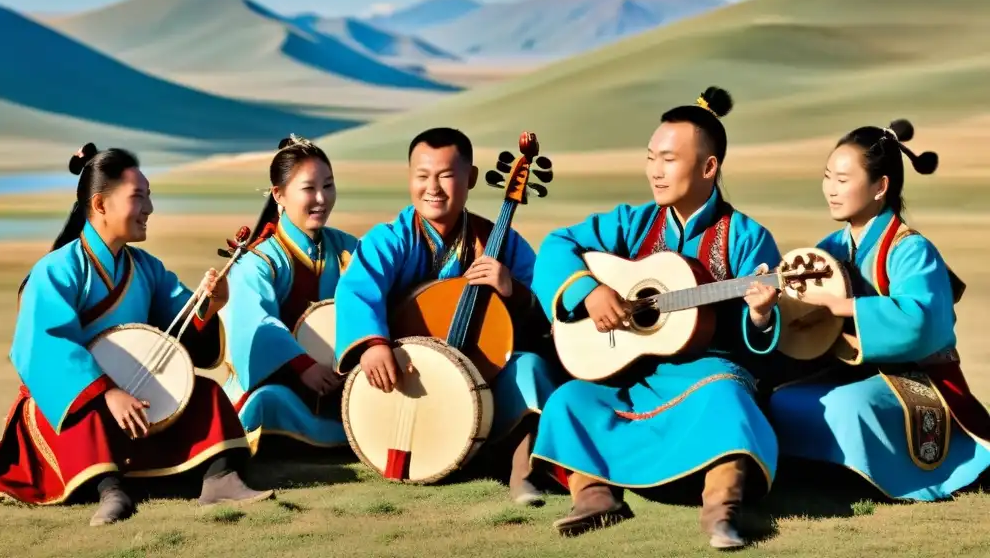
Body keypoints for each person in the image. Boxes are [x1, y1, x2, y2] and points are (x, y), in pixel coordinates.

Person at [528, 87, 783, 550]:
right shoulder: (635, 221)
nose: (655, 171)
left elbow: (761, 341)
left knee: (727, 399)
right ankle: (595, 496)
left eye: (668, 159)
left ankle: (722, 511)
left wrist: (762, 315)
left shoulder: (749, 237)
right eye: (651, 157)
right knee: (569, 399)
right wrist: (590, 292)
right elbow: (554, 247)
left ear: (709, 168)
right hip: (634, 375)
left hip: (707, 377)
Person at [0, 144, 273, 526]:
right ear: (100, 205)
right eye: (138, 197)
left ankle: (220, 479)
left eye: (150, 196)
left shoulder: (146, 268)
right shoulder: (56, 270)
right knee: (80, 415)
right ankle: (110, 491)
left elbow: (181, 326)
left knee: (206, 393)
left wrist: (211, 303)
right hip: (80, 397)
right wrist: (107, 392)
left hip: (137, 392)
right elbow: (44, 346)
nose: (150, 208)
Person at [765, 119, 990, 501]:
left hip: (919, 376)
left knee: (846, 404)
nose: (830, 190)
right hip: (849, 369)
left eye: (842, 180)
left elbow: (921, 323)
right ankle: (812, 473)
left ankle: (864, 479)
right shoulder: (831, 248)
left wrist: (845, 305)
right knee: (781, 395)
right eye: (827, 177)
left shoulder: (911, 250)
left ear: (880, 187)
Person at [332, 127, 559, 504]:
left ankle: (523, 475)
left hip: (484, 382)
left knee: (532, 369)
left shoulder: (499, 241)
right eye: (422, 176)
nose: (432, 188)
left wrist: (512, 289)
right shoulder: (390, 238)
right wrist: (372, 344)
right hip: (407, 379)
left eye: (446, 175)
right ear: (409, 179)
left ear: (470, 178)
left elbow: (545, 311)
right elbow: (357, 289)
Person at [218, 136, 358, 452]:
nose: (322, 198)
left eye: (329, 186)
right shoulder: (259, 261)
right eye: (309, 188)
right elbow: (255, 323)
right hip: (281, 381)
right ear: (279, 195)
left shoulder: (348, 250)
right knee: (269, 403)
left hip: (339, 382)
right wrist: (303, 366)